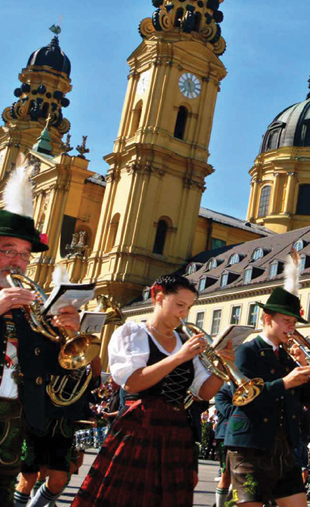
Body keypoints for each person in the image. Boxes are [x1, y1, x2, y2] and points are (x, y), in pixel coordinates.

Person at [70, 274, 230, 507]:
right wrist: (179, 357)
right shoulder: (133, 332)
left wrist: (221, 367)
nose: (184, 313)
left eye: (188, 307)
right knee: (125, 496)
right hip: (139, 425)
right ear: (158, 298)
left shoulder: (184, 340)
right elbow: (132, 383)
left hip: (176, 428)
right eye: (179, 305)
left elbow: (204, 393)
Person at [0, 170, 81, 507]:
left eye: (25, 255)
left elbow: (56, 374)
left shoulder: (30, 310)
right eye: (8, 251)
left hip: (12, 419)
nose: (18, 262)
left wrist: (67, 337)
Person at [224, 286, 310, 507]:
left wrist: (304, 366)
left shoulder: (288, 357)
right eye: (286, 321)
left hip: (284, 449)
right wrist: (285, 383)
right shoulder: (247, 351)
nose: (292, 328)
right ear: (267, 318)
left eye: (294, 323)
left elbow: (309, 400)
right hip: (249, 447)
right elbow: (243, 398)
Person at [14, 357, 101, 507]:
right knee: (28, 478)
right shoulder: (50, 346)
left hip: (64, 426)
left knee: (59, 479)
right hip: (38, 422)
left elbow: (89, 387)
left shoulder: (81, 364)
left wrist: (95, 366)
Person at [213, 382, 234, 507]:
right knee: (226, 476)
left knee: (241, 477)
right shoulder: (223, 390)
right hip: (225, 437)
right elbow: (228, 411)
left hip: (244, 436)